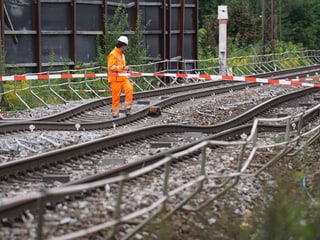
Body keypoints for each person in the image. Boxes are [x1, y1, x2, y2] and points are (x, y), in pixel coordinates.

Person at [107, 35, 133, 118]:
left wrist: (127, 70)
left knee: (129, 89)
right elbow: (111, 67)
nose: (125, 48)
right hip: (115, 79)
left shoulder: (122, 54)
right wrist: (123, 68)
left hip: (123, 78)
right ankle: (115, 112)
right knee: (116, 96)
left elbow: (122, 66)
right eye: (125, 47)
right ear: (123, 45)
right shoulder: (113, 54)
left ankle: (127, 108)